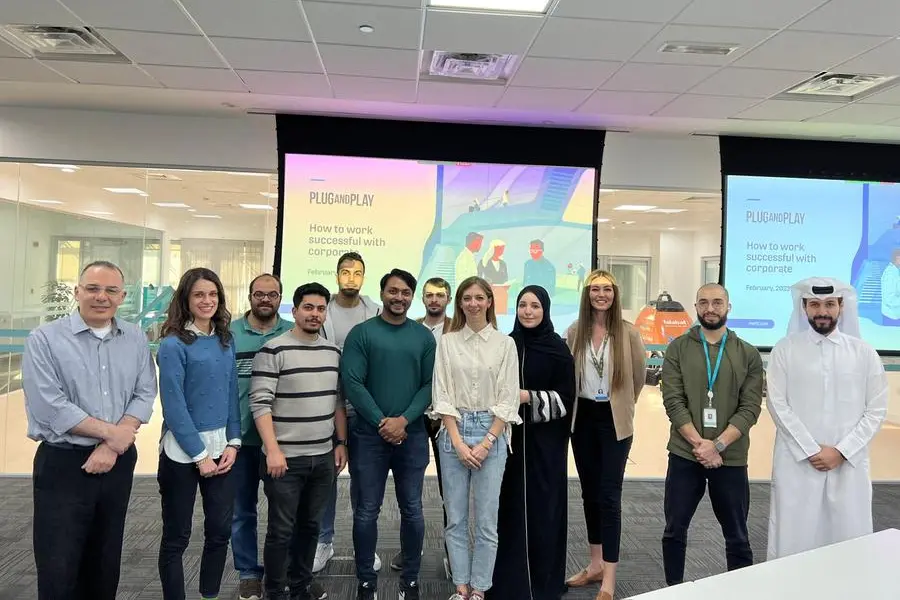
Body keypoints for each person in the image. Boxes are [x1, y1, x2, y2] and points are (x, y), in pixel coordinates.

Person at [23, 260, 157, 600]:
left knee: (105, 560)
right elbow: (49, 405)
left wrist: (112, 446)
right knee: (59, 564)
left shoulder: (135, 337)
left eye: (111, 290)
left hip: (118, 463)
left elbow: (145, 392)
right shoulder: (44, 339)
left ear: (122, 296)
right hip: (63, 463)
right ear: (77, 292)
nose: (102, 297)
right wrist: (113, 435)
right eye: (93, 288)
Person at [766, 277, 888, 560]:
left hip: (849, 464)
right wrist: (811, 449)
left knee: (849, 542)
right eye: (815, 305)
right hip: (797, 463)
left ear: (841, 307)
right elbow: (777, 404)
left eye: (830, 304)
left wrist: (842, 451)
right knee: (794, 539)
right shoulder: (785, 349)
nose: (822, 311)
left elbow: (876, 409)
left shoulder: (864, 353)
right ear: (804, 307)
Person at [250, 282, 349, 600]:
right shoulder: (274, 350)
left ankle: (300, 586)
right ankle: (274, 591)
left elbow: (337, 402)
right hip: (285, 459)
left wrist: (341, 443)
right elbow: (260, 404)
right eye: (308, 307)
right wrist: (273, 450)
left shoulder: (333, 353)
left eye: (320, 309)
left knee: (311, 526)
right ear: (294, 311)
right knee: (281, 530)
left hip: (322, 458)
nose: (314, 314)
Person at [660, 283, 763, 586]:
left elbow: (750, 408)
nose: (710, 308)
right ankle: (674, 591)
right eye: (703, 302)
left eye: (717, 302)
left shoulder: (748, 354)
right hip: (685, 454)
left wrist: (717, 445)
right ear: (695, 307)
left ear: (728, 307)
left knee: (738, 536)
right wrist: (700, 444)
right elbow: (673, 402)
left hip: (730, 457)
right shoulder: (678, 348)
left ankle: (740, 591)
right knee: (674, 531)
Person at [342, 268, 436, 600]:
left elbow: (430, 385)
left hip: (412, 436)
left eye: (405, 292)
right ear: (382, 293)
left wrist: (404, 421)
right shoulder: (361, 333)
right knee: (367, 510)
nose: (399, 297)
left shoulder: (423, 337)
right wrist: (383, 422)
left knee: (412, 508)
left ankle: (410, 581)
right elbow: (352, 382)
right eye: (393, 291)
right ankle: (366, 582)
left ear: (412, 297)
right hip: (368, 437)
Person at [432, 276, 520, 600]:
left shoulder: (505, 344)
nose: (473, 303)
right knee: (455, 519)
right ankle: (461, 587)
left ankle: (480, 589)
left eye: (479, 297)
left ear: (489, 302)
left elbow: (509, 398)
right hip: (452, 431)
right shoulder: (447, 342)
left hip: (491, 432)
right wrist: (457, 443)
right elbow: (441, 394)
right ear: (459, 303)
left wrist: (486, 443)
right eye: (467, 298)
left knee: (486, 521)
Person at [156, 267, 241, 600]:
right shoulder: (172, 344)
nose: (207, 300)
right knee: (176, 536)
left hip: (222, 448)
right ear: (186, 299)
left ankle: (209, 595)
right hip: (182, 451)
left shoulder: (225, 340)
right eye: (199, 294)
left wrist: (234, 442)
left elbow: (232, 394)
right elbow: (174, 406)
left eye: (213, 294)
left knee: (219, 532)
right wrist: (200, 456)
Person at [563, 270, 646, 600]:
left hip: (614, 421)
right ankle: (595, 564)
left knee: (609, 497)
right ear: (587, 294)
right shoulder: (575, 332)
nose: (601, 295)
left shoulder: (628, 333)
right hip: (582, 417)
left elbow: (638, 379)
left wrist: (621, 406)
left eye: (607, 289)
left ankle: (609, 579)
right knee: (590, 494)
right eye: (595, 289)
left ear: (615, 294)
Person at [488, 286, 575, 600]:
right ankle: (508, 584)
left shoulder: (558, 349)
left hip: (545, 446)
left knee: (544, 512)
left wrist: (527, 397)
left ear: (545, 310)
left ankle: (543, 584)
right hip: (509, 442)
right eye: (522, 305)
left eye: (535, 306)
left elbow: (566, 400)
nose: (528, 311)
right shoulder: (506, 345)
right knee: (508, 510)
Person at [315, 251, 383, 574]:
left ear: (363, 278)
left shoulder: (376, 311)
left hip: (365, 407)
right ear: (337, 275)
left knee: (364, 479)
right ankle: (323, 541)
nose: (351, 278)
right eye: (345, 272)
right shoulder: (322, 311)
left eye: (357, 273)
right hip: (327, 406)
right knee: (325, 477)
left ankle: (363, 543)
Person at [230, 274, 296, 600]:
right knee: (241, 511)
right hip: (239, 440)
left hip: (282, 441)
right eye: (259, 294)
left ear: (280, 298)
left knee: (285, 514)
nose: (265, 299)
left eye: (272, 294)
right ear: (250, 296)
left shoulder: (292, 332)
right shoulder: (228, 334)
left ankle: (284, 571)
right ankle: (248, 573)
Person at [392, 276, 453, 575]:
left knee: (450, 489)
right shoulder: (410, 327)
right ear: (422, 298)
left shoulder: (459, 329)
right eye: (429, 294)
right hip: (414, 415)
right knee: (410, 492)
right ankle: (410, 550)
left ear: (448, 299)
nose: (434, 300)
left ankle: (454, 553)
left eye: (440, 295)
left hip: (447, 417)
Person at [881, 248, 900, 326]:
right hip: (892, 317)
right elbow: (889, 299)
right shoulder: (890, 274)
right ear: (898, 258)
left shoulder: (895, 271)